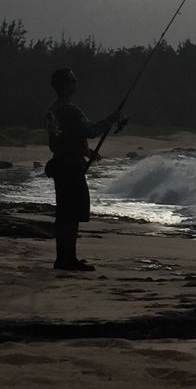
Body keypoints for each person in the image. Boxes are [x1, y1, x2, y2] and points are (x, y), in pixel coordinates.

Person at [45, 68, 124, 272]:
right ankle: (68, 259)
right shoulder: (70, 110)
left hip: (60, 165)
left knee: (64, 214)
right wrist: (112, 119)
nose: (76, 82)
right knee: (71, 215)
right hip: (71, 167)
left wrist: (86, 151)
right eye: (73, 80)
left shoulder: (51, 110)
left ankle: (63, 258)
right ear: (64, 85)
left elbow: (60, 140)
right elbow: (91, 130)